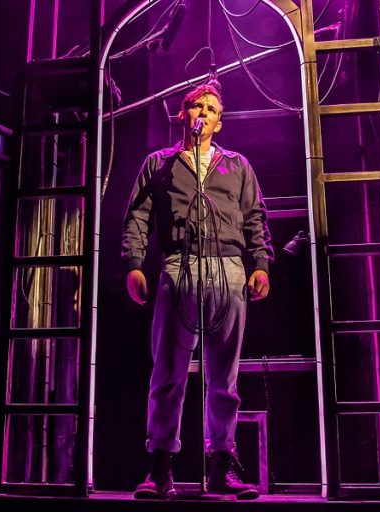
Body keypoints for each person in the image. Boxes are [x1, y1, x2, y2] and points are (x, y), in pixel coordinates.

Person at [122, 83, 273, 500]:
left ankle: (221, 466)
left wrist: (261, 264)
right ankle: (160, 468)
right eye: (196, 106)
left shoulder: (237, 165)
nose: (203, 112)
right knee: (168, 372)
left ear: (219, 122)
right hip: (179, 265)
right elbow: (137, 216)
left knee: (224, 377)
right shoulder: (160, 164)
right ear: (182, 114)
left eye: (211, 108)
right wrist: (134, 264)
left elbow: (255, 217)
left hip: (229, 268)